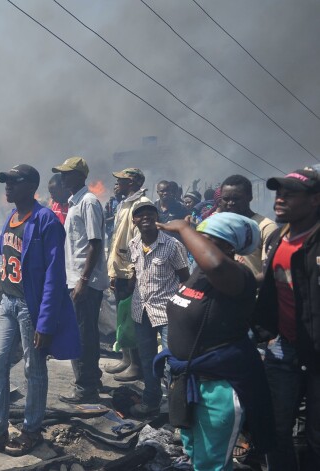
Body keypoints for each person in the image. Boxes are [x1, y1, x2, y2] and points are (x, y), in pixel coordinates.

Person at [0, 164, 81, 456]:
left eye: (14, 182)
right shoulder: (12, 217)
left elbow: (55, 275)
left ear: (31, 187)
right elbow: (9, 249)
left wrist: (45, 322)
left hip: (31, 307)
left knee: (34, 368)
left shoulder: (47, 221)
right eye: (6, 182)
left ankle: (31, 431)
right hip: (8, 302)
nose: (7, 187)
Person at [155, 213, 275, 471]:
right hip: (188, 382)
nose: (195, 243)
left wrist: (185, 228)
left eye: (202, 239)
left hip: (216, 388)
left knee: (212, 463)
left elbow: (217, 266)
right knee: (195, 454)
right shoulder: (200, 273)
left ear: (227, 247)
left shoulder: (236, 275)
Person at [251, 167, 320, 471]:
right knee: (274, 431)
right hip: (283, 349)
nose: (280, 199)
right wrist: (267, 333)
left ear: (315, 200)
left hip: (316, 354)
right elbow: (271, 288)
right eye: (279, 193)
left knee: (316, 438)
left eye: (291, 194)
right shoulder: (280, 236)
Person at [51, 157, 110, 404]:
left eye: (67, 174)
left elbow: (95, 244)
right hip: (75, 279)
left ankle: (85, 389)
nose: (63, 179)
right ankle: (92, 379)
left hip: (83, 282)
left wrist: (83, 280)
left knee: (81, 335)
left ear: (79, 177)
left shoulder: (88, 202)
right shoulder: (75, 203)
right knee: (87, 333)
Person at [127, 201, 189, 416]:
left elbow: (185, 279)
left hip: (166, 311)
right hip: (141, 310)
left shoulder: (172, 245)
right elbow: (136, 274)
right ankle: (151, 401)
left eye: (150, 213)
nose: (145, 217)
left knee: (173, 362)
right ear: (134, 220)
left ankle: (176, 409)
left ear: (157, 218)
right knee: (147, 360)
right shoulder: (133, 243)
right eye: (140, 214)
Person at [106, 167, 150, 379]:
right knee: (122, 317)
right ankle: (126, 359)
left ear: (132, 182)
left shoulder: (140, 205)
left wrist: (133, 272)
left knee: (132, 320)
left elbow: (139, 240)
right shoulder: (124, 204)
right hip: (119, 270)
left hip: (130, 272)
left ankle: (137, 365)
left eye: (121, 180)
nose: (117, 184)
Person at [219, 174, 277, 280]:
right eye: (226, 199)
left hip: (253, 294)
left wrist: (244, 285)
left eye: (236, 198)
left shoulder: (266, 227)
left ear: (250, 197)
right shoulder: (219, 225)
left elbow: (270, 272)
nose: (230, 203)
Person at [104, 183, 123, 247]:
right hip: (112, 234)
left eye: (118, 188)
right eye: (115, 189)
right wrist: (114, 218)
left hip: (123, 233)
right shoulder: (110, 203)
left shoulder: (126, 201)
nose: (116, 190)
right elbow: (104, 219)